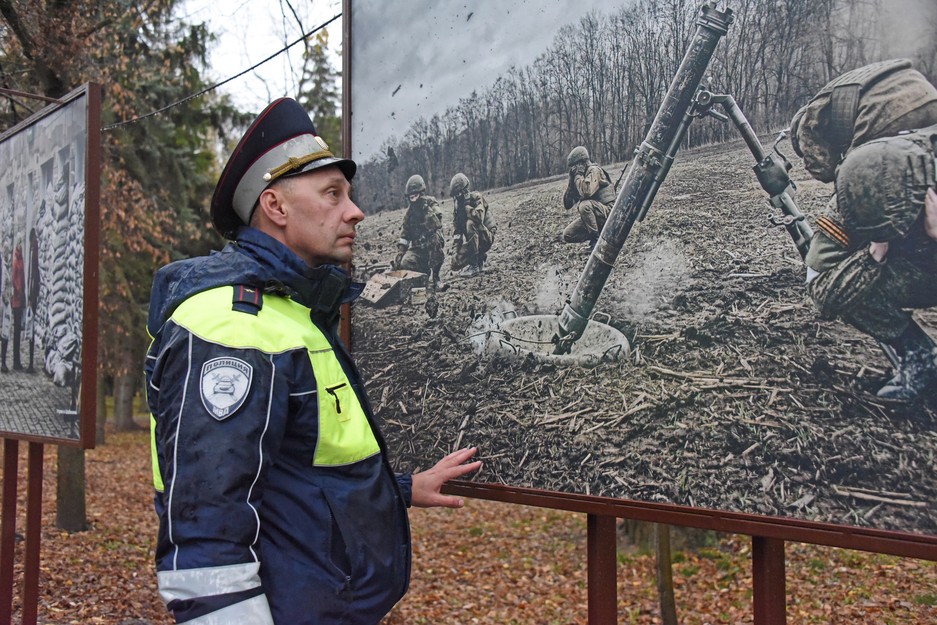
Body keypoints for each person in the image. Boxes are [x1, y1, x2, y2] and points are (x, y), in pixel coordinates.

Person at [145, 98, 482, 625]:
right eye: (333, 194)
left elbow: (293, 468)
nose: (355, 211)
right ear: (277, 208)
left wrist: (399, 490)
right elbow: (207, 530)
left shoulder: (290, 313)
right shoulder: (233, 328)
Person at [790, 59, 937, 401]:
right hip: (905, 260)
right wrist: (875, 252)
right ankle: (919, 353)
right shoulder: (861, 189)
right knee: (832, 283)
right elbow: (822, 283)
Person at [393, 174, 445, 287]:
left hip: (433, 245)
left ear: (421, 193)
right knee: (405, 262)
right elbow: (404, 237)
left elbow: (437, 224)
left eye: (416, 196)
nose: (414, 200)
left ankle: (436, 278)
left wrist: (426, 209)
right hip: (418, 249)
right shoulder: (409, 214)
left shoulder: (431, 203)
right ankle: (423, 275)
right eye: (411, 197)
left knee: (434, 240)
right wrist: (399, 256)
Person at [561, 145, 616, 246]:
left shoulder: (594, 170)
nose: (573, 170)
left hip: (608, 212)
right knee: (568, 235)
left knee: (584, 205)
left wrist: (578, 176)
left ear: (582, 162)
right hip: (596, 216)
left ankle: (596, 241)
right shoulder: (581, 178)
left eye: (575, 166)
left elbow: (587, 192)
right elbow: (567, 204)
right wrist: (571, 182)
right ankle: (597, 234)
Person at [449, 172, 496, 277]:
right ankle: (479, 260)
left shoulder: (476, 198)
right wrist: (455, 253)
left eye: (458, 194)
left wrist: (466, 206)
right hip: (474, 241)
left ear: (464, 191)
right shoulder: (458, 209)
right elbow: (457, 233)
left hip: (486, 237)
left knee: (471, 224)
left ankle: (474, 265)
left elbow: (479, 218)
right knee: (455, 263)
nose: (457, 197)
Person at [27, 227, 39, 372]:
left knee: (31, 329)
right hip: (32, 297)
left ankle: (30, 362)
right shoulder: (32, 254)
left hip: (33, 298)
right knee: (30, 330)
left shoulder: (34, 255)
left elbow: (33, 278)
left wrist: (31, 297)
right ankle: (29, 361)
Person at [11, 235, 24, 371]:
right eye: (19, 243)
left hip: (20, 299)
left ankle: (18, 359)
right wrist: (19, 291)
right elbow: (14, 279)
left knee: (18, 332)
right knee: (16, 332)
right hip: (16, 300)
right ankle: (15, 360)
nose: (20, 245)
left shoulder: (20, 259)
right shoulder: (16, 260)